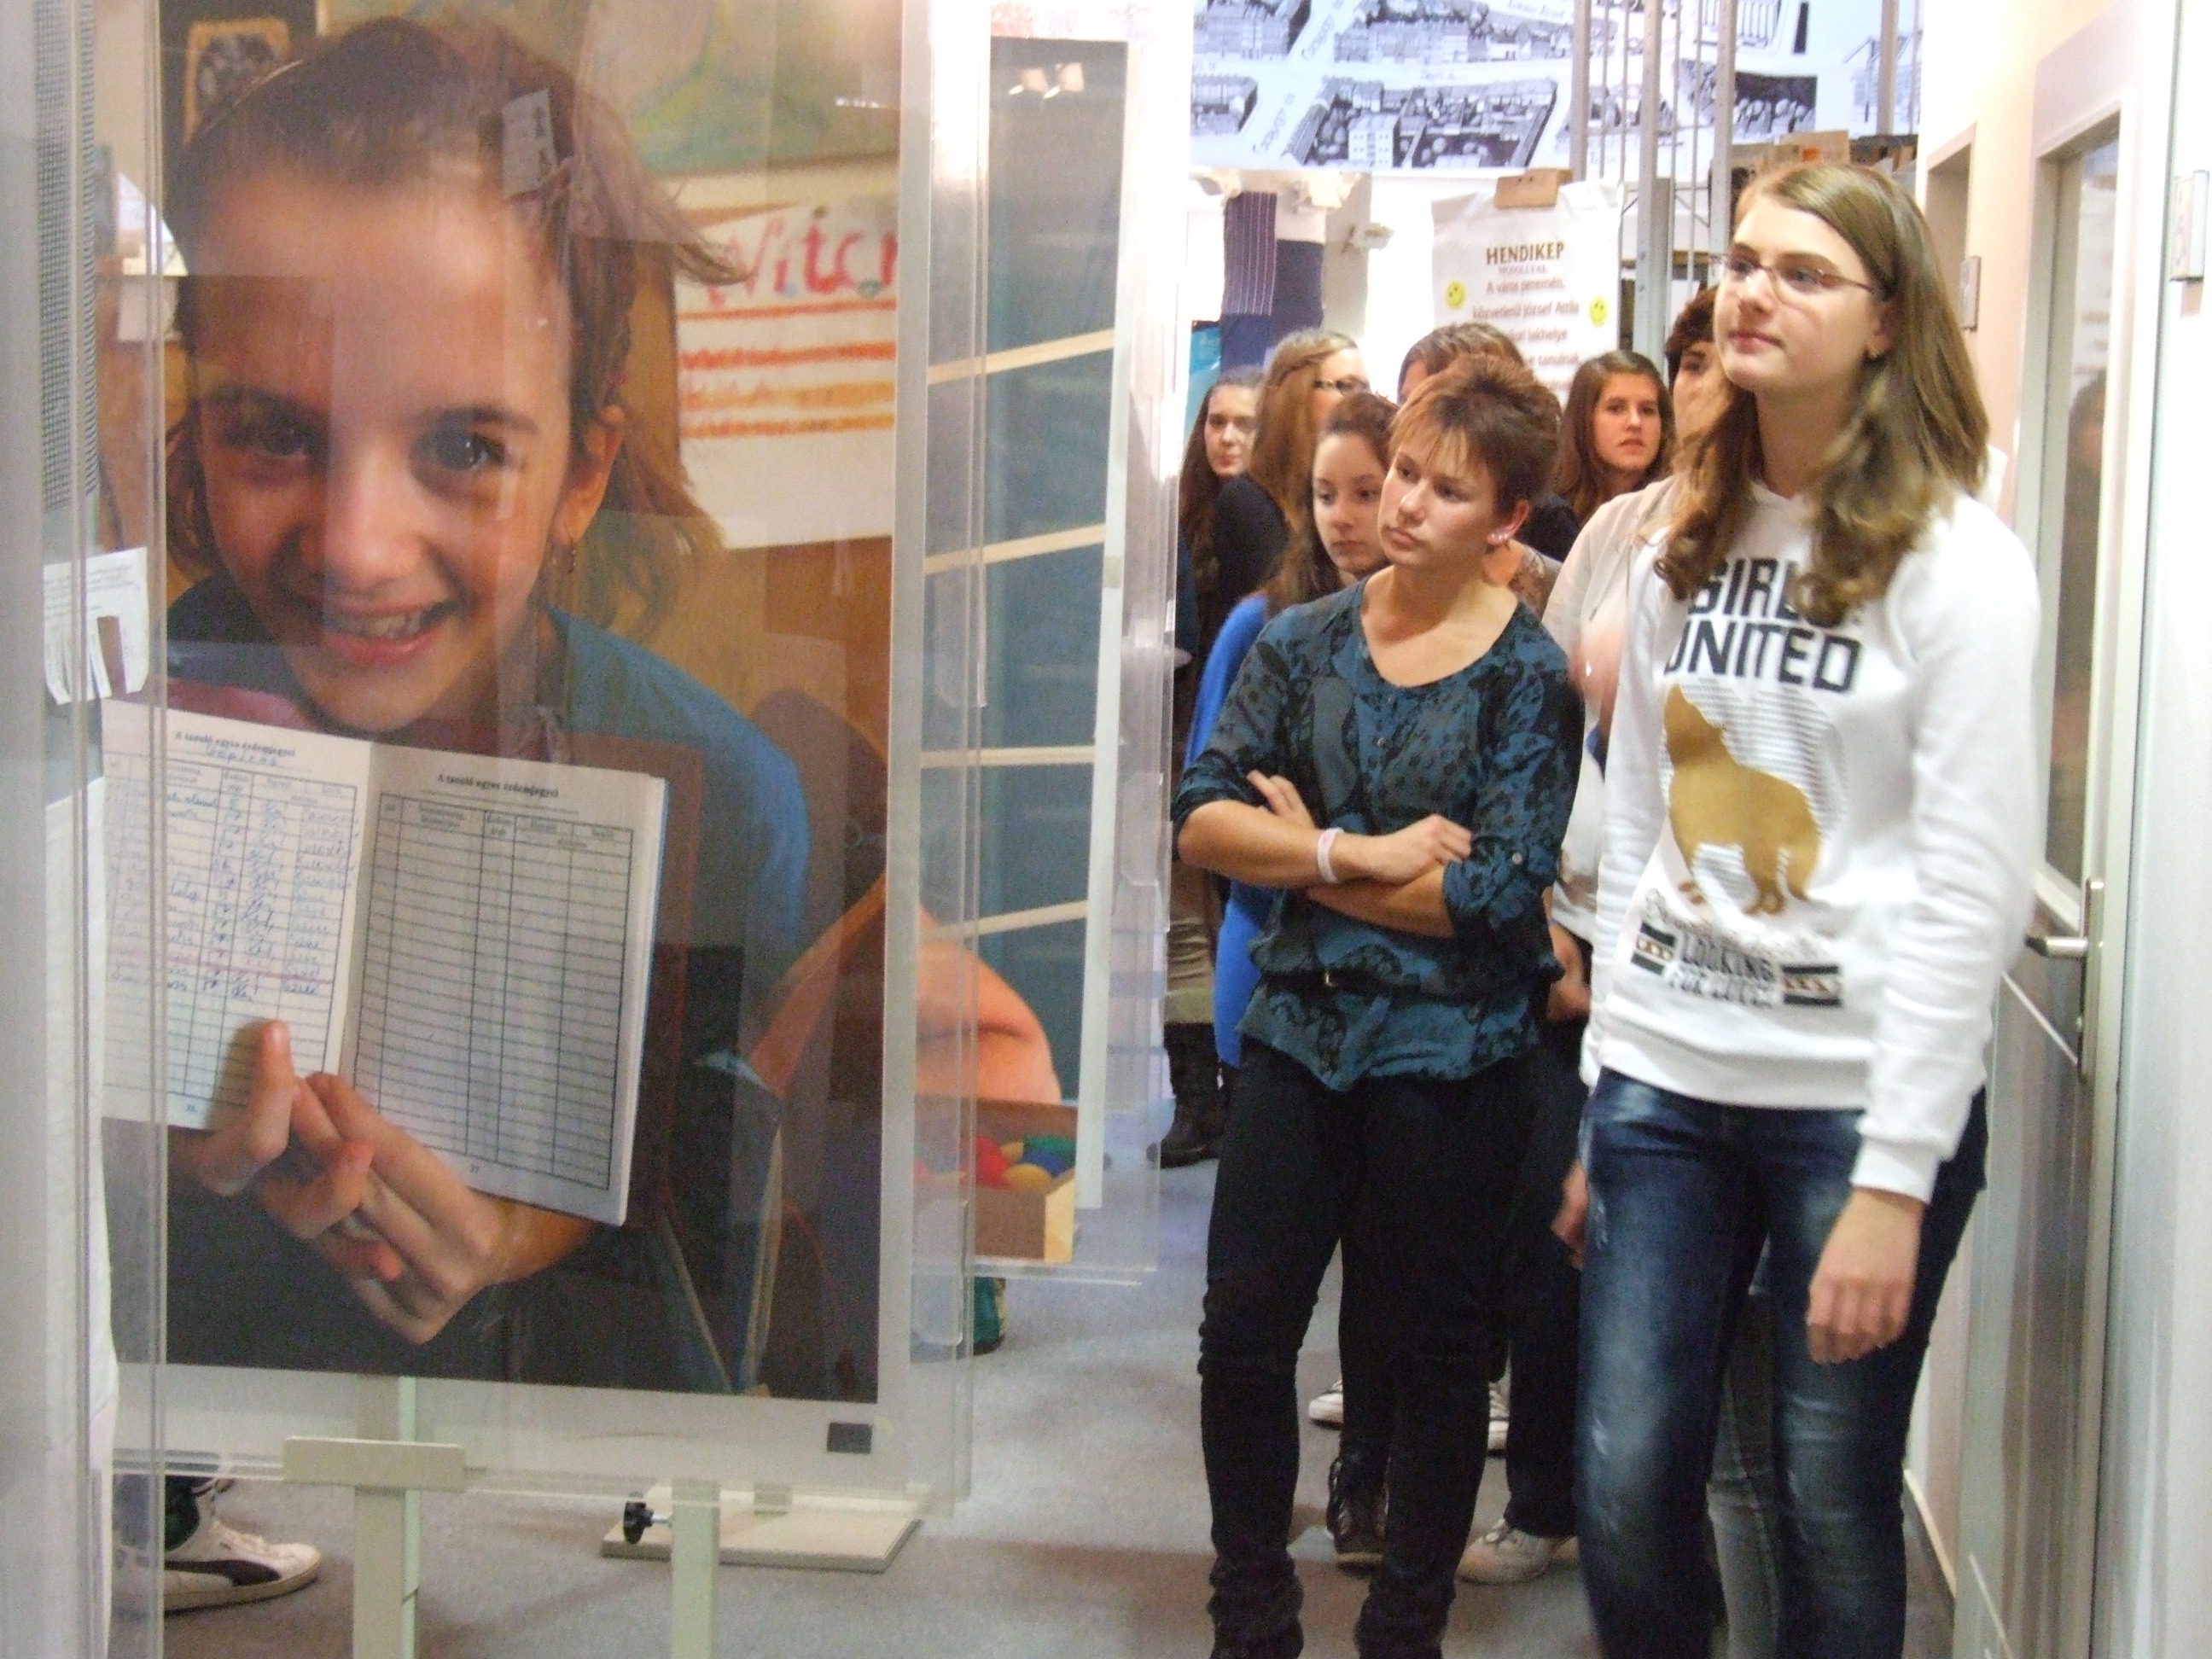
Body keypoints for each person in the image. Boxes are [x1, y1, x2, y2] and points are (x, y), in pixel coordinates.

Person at [1559, 161, 2039, 1658]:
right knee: (1623, 1483)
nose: (1754, 293)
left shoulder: (1956, 561)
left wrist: (1897, 1178)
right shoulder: (1681, 541)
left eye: (1805, 273)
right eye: (1744, 263)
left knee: (1825, 1492)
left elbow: (1970, 884)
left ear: (1887, 320)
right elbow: (1643, 820)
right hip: (1666, 1084)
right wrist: (1605, 1085)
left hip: (1853, 1104)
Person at [1176, 355, 1580, 1659]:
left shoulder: (1528, 676)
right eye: (1402, 471)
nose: (1403, 504)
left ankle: (1405, 1630)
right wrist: (1364, 852)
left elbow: (1495, 899)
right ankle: (1251, 1616)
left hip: (1454, 1055)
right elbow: (1204, 819)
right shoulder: (1301, 642)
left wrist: (1305, 857)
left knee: (1434, 1353)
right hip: (1299, 1033)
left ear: (1506, 520)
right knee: (1243, 1334)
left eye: (1445, 490)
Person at [1459, 290, 1723, 1588]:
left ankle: (1697, 1543)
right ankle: (1548, 1500)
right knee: (1549, 1235)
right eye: (1694, 362)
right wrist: (1546, 916)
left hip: (1717, 968)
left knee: (1697, 1286)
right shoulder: (1619, 531)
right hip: (1575, 932)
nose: (1709, 385)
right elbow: (1550, 730)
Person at [1185, 393, 1399, 1568]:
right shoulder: (1263, 627)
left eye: (1370, 490)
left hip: (1402, 1003)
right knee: (1257, 1284)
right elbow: (1210, 813)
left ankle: (1365, 1474)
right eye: (1327, 494)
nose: (1349, 515)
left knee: (1384, 1267)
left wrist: (1314, 842)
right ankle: (1255, 1530)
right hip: (1268, 964)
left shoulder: (1452, 643)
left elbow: (1466, 866)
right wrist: (1336, 856)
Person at [1166, 371, 1264, 1168]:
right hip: (1177, 741)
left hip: (1246, 754)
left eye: (1246, 424)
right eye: (1217, 422)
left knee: (1239, 920)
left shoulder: (1272, 527)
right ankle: (1196, 1102)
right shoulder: (1182, 521)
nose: (1228, 437)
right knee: (1184, 929)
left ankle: (1240, 1095)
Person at [1208, 330, 1365, 635]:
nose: (1361, 400)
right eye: (1346, 386)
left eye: (1365, 387)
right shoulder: (1248, 500)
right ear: (1298, 394)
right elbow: (1292, 614)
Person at [1397, 323, 1580, 562]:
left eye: (1437, 400)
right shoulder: (1394, 522)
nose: (1416, 416)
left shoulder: (1550, 524)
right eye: (1406, 401)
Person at [1554, 350, 1675, 527]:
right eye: (1616, 408)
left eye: (1647, 410)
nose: (1635, 422)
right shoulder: (1550, 513)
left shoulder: (1681, 509)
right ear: (1584, 420)